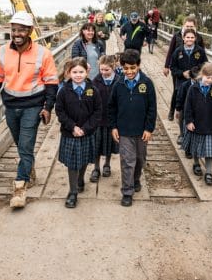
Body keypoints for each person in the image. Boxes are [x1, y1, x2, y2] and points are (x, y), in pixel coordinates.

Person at [0, 11, 59, 208]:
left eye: (21, 30)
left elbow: (52, 83)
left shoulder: (44, 54)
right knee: (20, 145)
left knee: (26, 146)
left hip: (33, 106)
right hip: (11, 105)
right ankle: (29, 169)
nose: (17, 34)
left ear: (30, 31)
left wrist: (48, 107)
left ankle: (20, 189)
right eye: (14, 30)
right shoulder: (2, 52)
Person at [109, 49, 157, 207]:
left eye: (132, 68)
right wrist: (114, 127)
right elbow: (112, 108)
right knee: (127, 161)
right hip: (124, 131)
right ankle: (127, 191)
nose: (129, 72)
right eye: (125, 68)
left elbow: (152, 108)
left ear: (139, 66)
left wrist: (149, 129)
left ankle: (136, 179)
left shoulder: (147, 84)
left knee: (139, 159)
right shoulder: (118, 84)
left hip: (141, 130)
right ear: (121, 67)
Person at [55, 57, 102, 208]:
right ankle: (73, 191)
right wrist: (72, 127)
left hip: (87, 132)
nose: (78, 75)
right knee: (72, 163)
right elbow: (60, 111)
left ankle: (81, 179)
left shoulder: (93, 90)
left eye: (81, 72)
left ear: (87, 72)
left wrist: (86, 128)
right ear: (68, 73)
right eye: (74, 72)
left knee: (83, 159)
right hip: (71, 133)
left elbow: (97, 111)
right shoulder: (63, 91)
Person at [183, 62, 212, 185]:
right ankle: (196, 163)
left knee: (209, 150)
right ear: (202, 75)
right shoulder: (193, 88)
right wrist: (189, 121)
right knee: (196, 147)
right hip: (197, 124)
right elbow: (188, 106)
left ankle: (209, 172)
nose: (210, 81)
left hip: (211, 124)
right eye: (208, 77)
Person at [163, 15, 206, 121]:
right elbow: (170, 51)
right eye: (187, 26)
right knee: (177, 90)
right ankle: (173, 110)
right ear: (183, 25)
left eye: (191, 26)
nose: (189, 28)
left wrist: (196, 71)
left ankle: (191, 113)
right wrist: (166, 66)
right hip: (179, 67)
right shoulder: (177, 35)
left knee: (192, 91)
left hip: (194, 71)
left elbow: (202, 55)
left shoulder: (199, 37)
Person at [170, 29, 208, 143]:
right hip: (182, 83)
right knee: (182, 108)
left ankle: (194, 132)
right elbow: (173, 67)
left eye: (192, 37)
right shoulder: (178, 51)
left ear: (195, 38)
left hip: (196, 84)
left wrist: (197, 74)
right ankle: (182, 134)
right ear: (183, 38)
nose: (190, 39)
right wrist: (182, 73)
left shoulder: (200, 51)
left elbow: (205, 65)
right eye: (187, 37)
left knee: (194, 107)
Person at [90, 55, 119, 182]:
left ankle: (107, 164)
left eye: (106, 70)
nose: (103, 72)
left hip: (112, 120)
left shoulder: (119, 81)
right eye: (101, 70)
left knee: (109, 144)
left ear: (113, 68)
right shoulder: (95, 81)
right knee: (97, 145)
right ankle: (96, 168)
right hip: (98, 120)